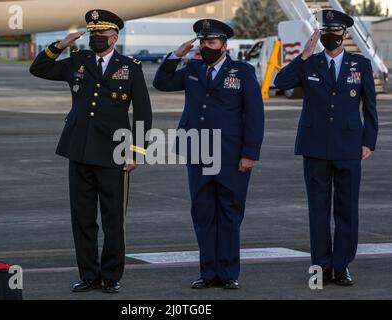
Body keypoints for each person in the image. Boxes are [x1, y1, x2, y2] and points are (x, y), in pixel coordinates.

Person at [29, 9, 152, 293]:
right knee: (82, 219)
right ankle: (88, 275)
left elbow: (143, 112)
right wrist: (59, 45)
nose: (96, 37)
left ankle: (110, 276)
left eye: (101, 33)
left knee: (113, 220)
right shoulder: (77, 61)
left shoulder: (129, 67)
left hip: (114, 153)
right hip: (79, 149)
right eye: (93, 33)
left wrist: (136, 150)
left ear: (114, 36)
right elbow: (39, 69)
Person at [153, 19, 264, 289]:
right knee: (203, 214)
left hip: (230, 154)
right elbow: (162, 82)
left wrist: (250, 153)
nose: (206, 47)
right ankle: (208, 272)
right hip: (198, 150)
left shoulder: (242, 71)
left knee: (229, 213)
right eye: (203, 42)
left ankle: (228, 273)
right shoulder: (192, 68)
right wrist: (176, 55)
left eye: (211, 42)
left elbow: (254, 115)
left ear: (224, 45)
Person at [274, 9, 378, 286]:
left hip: (349, 148)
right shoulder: (309, 63)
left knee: (347, 210)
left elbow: (370, 109)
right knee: (318, 211)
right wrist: (304, 55)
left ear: (344, 34)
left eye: (335, 32)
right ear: (319, 34)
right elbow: (280, 82)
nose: (331, 36)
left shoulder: (360, 65)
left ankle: (342, 265)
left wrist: (368, 142)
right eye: (326, 32)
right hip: (315, 147)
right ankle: (321, 266)